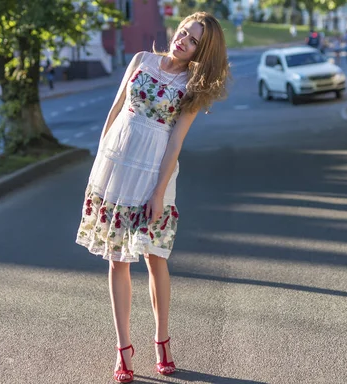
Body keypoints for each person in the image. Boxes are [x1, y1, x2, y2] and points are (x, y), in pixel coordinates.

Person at [75, 11, 229, 383]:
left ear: (202, 51)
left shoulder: (193, 85)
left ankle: (162, 341)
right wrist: (100, 165)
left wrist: (159, 192)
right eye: (182, 33)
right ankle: (123, 350)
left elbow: (175, 141)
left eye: (193, 40)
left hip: (154, 173)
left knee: (154, 257)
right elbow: (115, 110)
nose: (182, 41)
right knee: (117, 260)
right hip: (117, 166)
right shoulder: (140, 60)